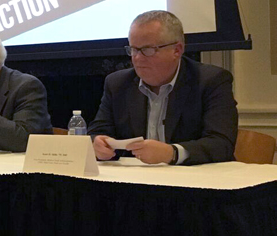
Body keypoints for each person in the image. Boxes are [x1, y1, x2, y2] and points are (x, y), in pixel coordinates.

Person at [89, 10, 238, 165]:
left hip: (194, 181)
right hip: (134, 181)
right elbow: (97, 131)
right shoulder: (118, 83)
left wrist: (172, 153)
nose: (138, 58)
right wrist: (97, 143)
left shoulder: (211, 81)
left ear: (177, 50)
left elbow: (221, 144)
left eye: (148, 50)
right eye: (133, 49)